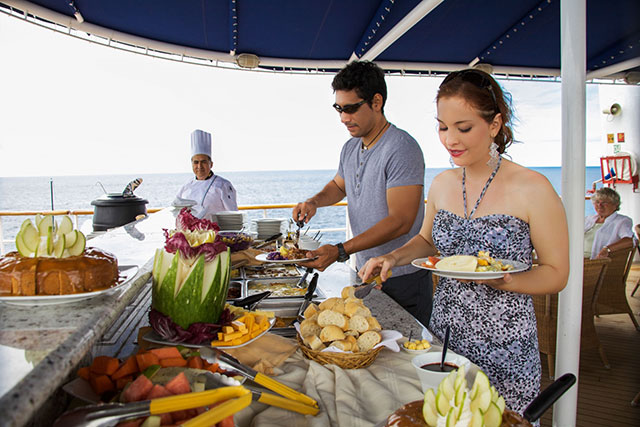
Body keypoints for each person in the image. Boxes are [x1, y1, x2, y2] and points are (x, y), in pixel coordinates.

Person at [359, 68, 569, 415]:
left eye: (464, 128)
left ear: (495, 124)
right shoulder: (442, 183)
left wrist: (507, 280)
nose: (450, 140)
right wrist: (393, 258)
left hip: (506, 343)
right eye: (443, 127)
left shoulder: (535, 188)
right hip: (447, 336)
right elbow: (428, 240)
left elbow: (557, 273)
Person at [292, 60, 433, 326]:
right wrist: (313, 202)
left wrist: (340, 250)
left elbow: (401, 221)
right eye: (339, 109)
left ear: (376, 102)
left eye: (351, 108)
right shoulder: (350, 147)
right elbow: (338, 186)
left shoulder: (402, 148)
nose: (344, 118)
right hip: (366, 274)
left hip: (402, 277)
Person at [175, 129, 238, 221]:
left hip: (216, 232)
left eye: (203, 162)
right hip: (191, 233)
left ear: (211, 164)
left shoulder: (223, 185)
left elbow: (234, 215)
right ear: (192, 164)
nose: (199, 166)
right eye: (196, 162)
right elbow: (176, 208)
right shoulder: (186, 186)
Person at [584, 187, 635, 259]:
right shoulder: (588, 219)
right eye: (597, 202)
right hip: (577, 259)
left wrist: (607, 249)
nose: (599, 205)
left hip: (595, 262)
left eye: (604, 202)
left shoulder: (621, 221)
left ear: (615, 205)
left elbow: (629, 241)